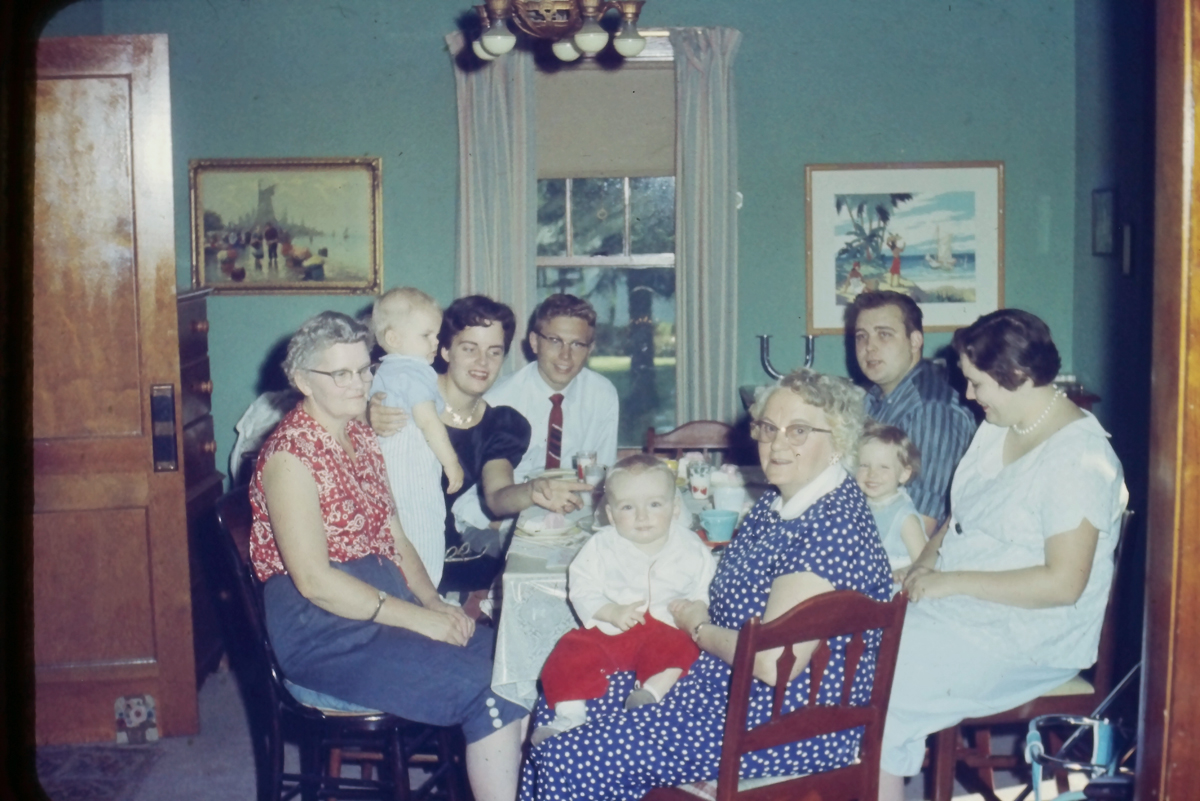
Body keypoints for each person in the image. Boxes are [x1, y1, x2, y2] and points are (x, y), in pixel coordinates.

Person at [520, 368, 892, 801]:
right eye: (769, 427)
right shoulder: (779, 500)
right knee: (558, 699)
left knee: (569, 756)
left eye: (800, 430)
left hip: (783, 722)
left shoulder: (831, 527)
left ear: (839, 441)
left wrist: (698, 627)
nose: (777, 442)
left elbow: (773, 663)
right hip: (725, 686)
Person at [247, 311, 526, 801]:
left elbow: (393, 533)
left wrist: (433, 602)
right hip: (323, 631)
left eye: (364, 369)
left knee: (518, 665)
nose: (358, 384)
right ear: (300, 380)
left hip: (379, 604)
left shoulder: (359, 433)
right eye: (340, 374)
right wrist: (419, 621)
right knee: (490, 689)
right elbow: (314, 581)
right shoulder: (290, 457)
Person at [877, 309, 1128, 801]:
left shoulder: (1078, 458)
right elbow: (959, 516)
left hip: (1030, 633)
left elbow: (1063, 584)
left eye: (976, 384)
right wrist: (927, 562)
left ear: (1018, 377)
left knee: (882, 690)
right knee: (854, 644)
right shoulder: (999, 425)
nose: (968, 395)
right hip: (965, 604)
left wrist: (951, 581)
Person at [370, 295, 591, 597]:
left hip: (456, 563)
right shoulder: (399, 396)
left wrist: (532, 491)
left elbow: (497, 497)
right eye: (469, 349)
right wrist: (365, 414)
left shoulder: (501, 424)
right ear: (444, 349)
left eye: (494, 352)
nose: (482, 363)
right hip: (390, 558)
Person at [533, 454, 717, 746]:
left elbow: (707, 584)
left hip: (665, 629)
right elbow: (582, 586)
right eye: (628, 507)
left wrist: (696, 606)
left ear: (676, 507)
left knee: (685, 648)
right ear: (610, 513)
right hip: (613, 631)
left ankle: (651, 693)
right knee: (570, 649)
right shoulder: (602, 545)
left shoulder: (691, 547)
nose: (642, 517)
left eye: (655, 504)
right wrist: (609, 611)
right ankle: (570, 715)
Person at [453, 294, 619, 535]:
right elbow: (483, 493)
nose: (565, 355)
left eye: (577, 344)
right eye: (554, 341)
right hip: (496, 522)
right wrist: (503, 525)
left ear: (590, 348)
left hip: (571, 517)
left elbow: (600, 476)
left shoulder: (602, 395)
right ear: (534, 342)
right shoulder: (498, 401)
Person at [849, 290, 977, 534]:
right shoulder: (874, 398)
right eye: (861, 337)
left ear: (915, 341)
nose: (869, 347)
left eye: (884, 335)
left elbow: (921, 524)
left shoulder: (931, 409)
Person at [368, 287, 465, 588]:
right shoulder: (413, 371)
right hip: (410, 467)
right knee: (424, 529)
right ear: (394, 339)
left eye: (436, 335)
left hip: (390, 464)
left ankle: (407, 593)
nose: (436, 343)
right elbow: (427, 420)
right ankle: (427, 595)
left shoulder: (386, 369)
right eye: (427, 336)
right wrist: (451, 462)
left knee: (399, 536)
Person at [856, 422, 927, 582]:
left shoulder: (904, 517)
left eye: (884, 467)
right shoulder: (859, 504)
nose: (872, 474)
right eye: (864, 465)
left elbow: (924, 564)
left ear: (903, 474)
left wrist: (904, 571)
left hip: (897, 587)